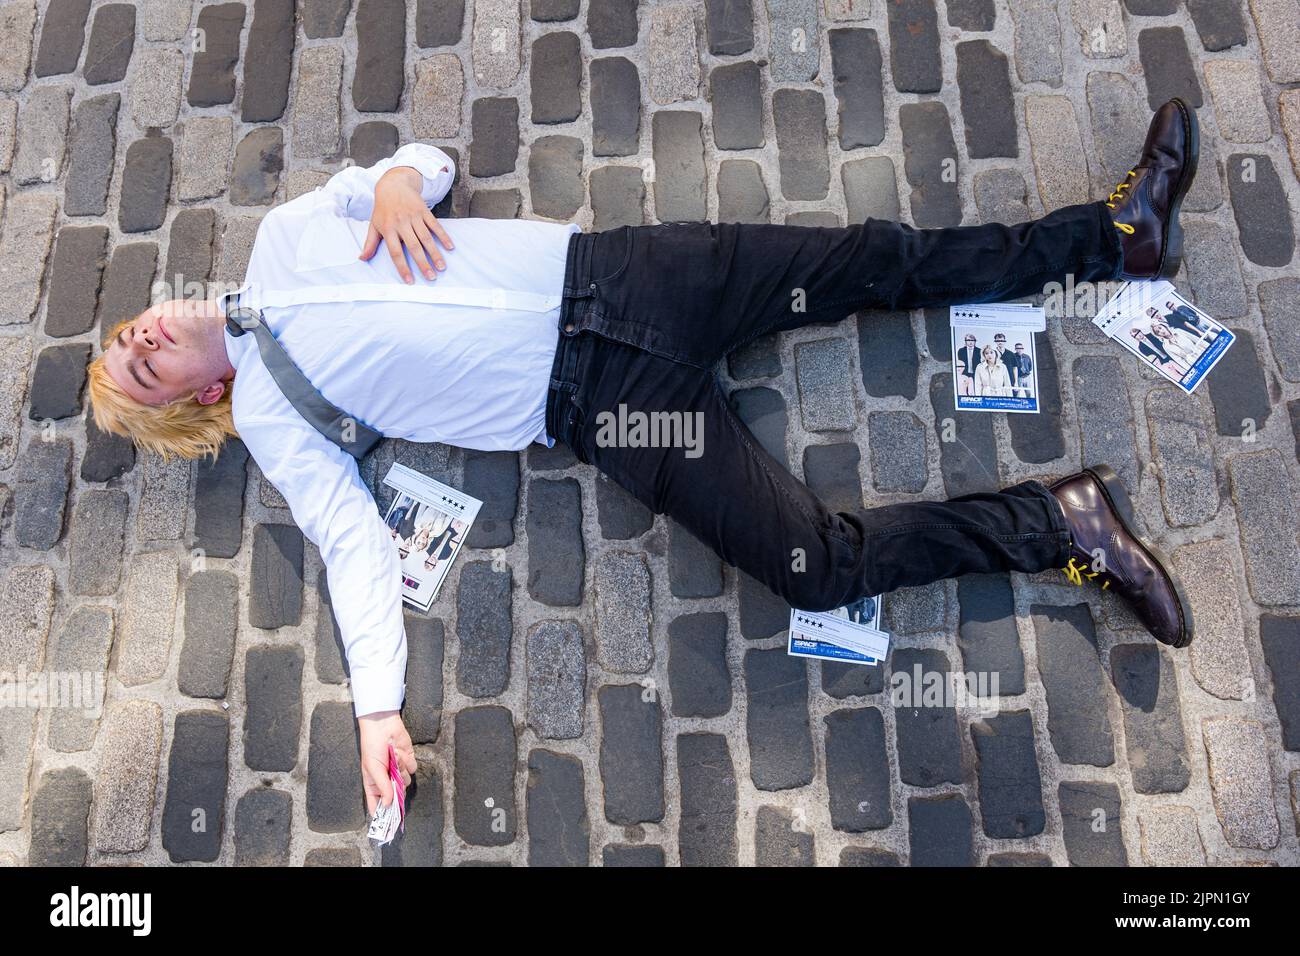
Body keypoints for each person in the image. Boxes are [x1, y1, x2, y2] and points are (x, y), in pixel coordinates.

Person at [87, 98, 1201, 816]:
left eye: (126, 334)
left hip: (622, 277)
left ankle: (1115, 238)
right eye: (141, 372)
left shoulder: (285, 237)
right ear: (196, 399)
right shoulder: (278, 421)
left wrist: (392, 182)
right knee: (812, 566)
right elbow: (352, 548)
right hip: (606, 405)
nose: (141, 340)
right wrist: (377, 706)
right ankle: (1061, 523)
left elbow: (425, 163)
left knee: (869, 260)